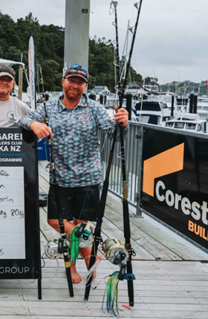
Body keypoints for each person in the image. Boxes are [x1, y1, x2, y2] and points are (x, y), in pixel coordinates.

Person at [18, 64, 129, 284]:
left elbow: (113, 133)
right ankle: (90, 255)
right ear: (63, 81)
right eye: (72, 80)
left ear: (85, 85)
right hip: (59, 177)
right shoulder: (48, 107)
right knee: (55, 221)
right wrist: (34, 124)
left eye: (80, 82)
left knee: (79, 226)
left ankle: (72, 267)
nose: (75, 86)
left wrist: (122, 123)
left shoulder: (94, 108)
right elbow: (23, 119)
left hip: (88, 178)